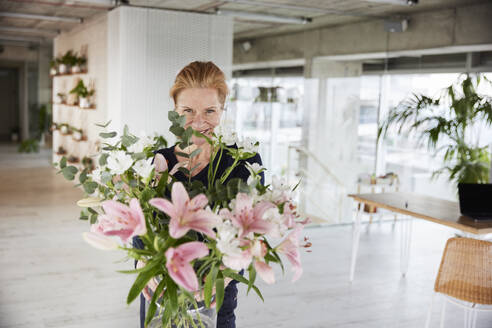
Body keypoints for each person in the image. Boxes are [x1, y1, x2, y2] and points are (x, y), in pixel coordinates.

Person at [134, 61, 264, 328]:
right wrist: (142, 266)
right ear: (174, 111)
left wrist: (222, 277)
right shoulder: (158, 163)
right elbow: (140, 225)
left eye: (210, 111)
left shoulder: (243, 163)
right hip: (162, 296)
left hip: (215, 297)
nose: (199, 121)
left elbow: (250, 234)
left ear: (222, 110)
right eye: (188, 111)